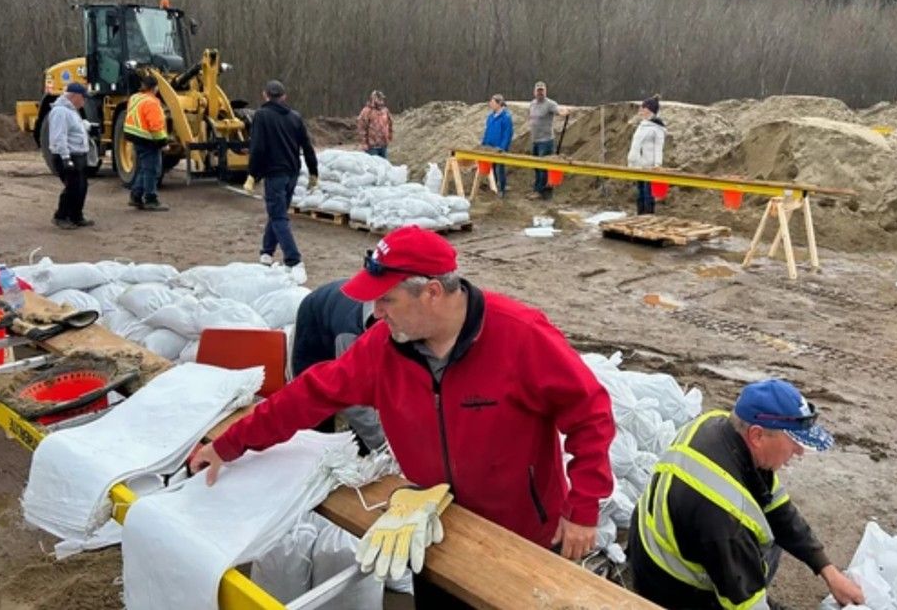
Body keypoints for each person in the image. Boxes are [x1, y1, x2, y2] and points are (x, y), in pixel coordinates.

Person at [192, 225, 615, 607]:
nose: (377, 313)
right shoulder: (384, 349)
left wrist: (583, 506)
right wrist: (230, 444)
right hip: (435, 530)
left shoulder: (519, 335)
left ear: (431, 292)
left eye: (386, 299)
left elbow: (589, 411)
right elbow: (310, 395)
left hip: (524, 537)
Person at [628, 378, 866, 610]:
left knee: (771, 535)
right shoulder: (725, 516)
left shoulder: (719, 423)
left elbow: (780, 511)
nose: (799, 451)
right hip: (669, 584)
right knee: (755, 552)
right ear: (757, 435)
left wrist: (828, 571)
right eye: (793, 440)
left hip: (655, 539)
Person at [291, 278, 385, 453]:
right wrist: (382, 445)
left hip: (339, 307)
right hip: (315, 325)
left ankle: (363, 448)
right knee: (316, 406)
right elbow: (350, 397)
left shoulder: (405, 321)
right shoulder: (350, 334)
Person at [248, 80, 318, 270]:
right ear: (284, 96)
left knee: (278, 216)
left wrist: (252, 174)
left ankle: (293, 259)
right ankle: (267, 252)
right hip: (292, 173)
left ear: (265, 95)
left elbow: (257, 147)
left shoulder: (262, 116)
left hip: (274, 174)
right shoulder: (295, 117)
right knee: (277, 212)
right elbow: (307, 146)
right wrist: (314, 172)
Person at [47, 82, 94, 229]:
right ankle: (61, 216)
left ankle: (76, 215)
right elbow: (58, 136)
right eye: (83, 97)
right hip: (68, 156)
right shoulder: (60, 112)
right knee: (73, 187)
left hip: (78, 154)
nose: (84, 101)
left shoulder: (72, 111)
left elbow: (74, 128)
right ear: (74, 96)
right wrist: (66, 158)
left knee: (82, 187)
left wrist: (87, 127)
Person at [124, 74, 169, 211]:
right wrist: (163, 143)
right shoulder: (152, 102)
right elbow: (155, 127)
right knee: (152, 169)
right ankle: (150, 199)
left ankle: (136, 195)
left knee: (144, 168)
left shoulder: (135, 97)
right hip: (147, 139)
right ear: (155, 88)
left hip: (135, 136)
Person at [527, 81, 568, 200]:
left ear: (545, 91)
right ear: (534, 92)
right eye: (538, 90)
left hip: (545, 141)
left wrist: (564, 112)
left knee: (542, 167)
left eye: (542, 90)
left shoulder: (550, 104)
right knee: (536, 166)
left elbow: (558, 111)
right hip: (535, 140)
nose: (540, 93)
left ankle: (541, 191)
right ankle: (537, 188)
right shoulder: (532, 104)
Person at [627, 95, 666, 215]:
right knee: (640, 193)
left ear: (649, 110)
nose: (641, 110)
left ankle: (648, 215)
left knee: (647, 193)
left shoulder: (657, 128)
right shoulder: (642, 125)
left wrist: (657, 164)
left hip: (649, 166)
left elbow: (659, 147)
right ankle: (640, 215)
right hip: (639, 165)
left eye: (643, 108)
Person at [480, 93, 514, 196]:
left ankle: (501, 189)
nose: (490, 104)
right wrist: (484, 144)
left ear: (499, 104)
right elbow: (487, 131)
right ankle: (493, 188)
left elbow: (507, 134)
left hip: (499, 148)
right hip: (490, 147)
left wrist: (502, 148)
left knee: (500, 169)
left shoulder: (506, 117)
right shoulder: (490, 117)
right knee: (492, 169)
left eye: (493, 102)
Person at [357, 90, 393, 159]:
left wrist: (389, 136)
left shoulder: (385, 110)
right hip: (372, 147)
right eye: (379, 99)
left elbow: (390, 123)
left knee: (385, 166)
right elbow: (361, 127)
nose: (381, 101)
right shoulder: (367, 111)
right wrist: (364, 143)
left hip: (383, 145)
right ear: (373, 99)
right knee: (375, 167)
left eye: (382, 99)